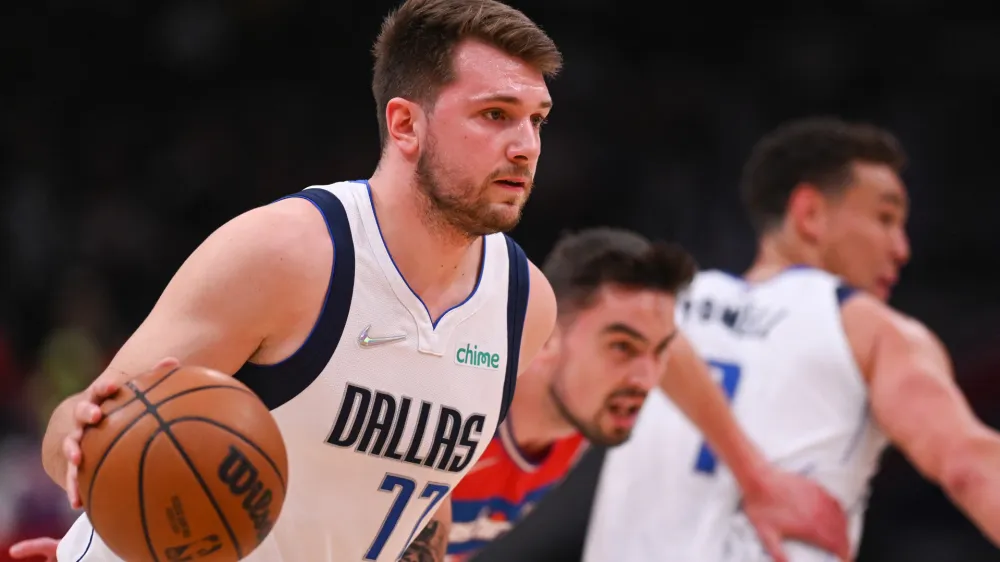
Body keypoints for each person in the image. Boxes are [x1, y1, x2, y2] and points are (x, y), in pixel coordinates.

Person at [22, 1, 565, 561]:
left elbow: (418, 492)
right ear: (406, 124)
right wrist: (85, 445)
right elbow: (76, 429)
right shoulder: (286, 254)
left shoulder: (526, 307)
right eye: (495, 114)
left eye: (537, 120)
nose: (526, 146)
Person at [583, 117, 1000, 562]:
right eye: (885, 218)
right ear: (810, 213)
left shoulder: (659, 304)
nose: (901, 248)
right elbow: (967, 463)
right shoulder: (871, 329)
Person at [445, 228, 851, 562]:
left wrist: (758, 478)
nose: (645, 378)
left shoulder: (587, 399)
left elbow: (675, 352)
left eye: (658, 351)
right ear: (548, 334)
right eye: (622, 347)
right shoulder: (460, 409)